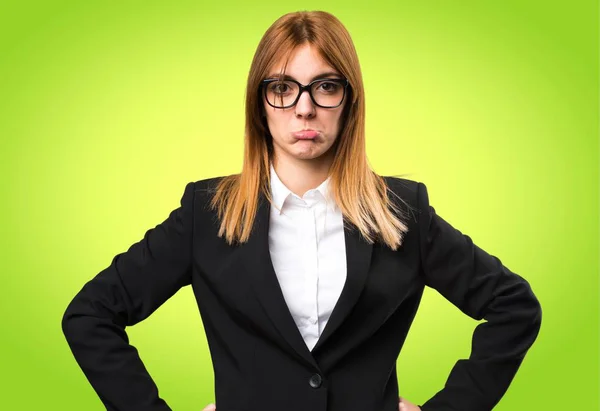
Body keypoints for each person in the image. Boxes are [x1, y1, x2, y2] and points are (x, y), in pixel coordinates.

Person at [61, 10, 542, 411]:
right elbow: (90, 314)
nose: (304, 109)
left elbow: (514, 308)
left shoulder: (403, 212)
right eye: (283, 88)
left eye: (325, 87)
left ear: (349, 102)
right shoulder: (205, 214)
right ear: (260, 104)